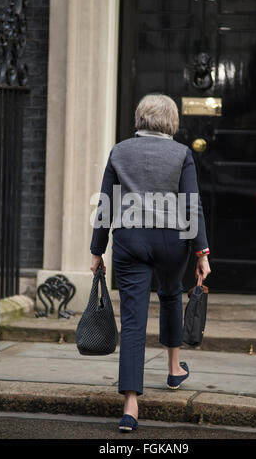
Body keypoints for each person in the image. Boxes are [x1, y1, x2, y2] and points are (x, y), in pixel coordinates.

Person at [90, 93, 211, 432]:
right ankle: (174, 369)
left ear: (140, 119)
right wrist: (202, 253)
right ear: (171, 122)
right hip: (173, 240)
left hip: (130, 240)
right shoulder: (182, 154)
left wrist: (97, 250)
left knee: (132, 319)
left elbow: (105, 205)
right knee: (171, 294)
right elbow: (192, 205)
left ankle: (130, 406)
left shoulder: (119, 151)